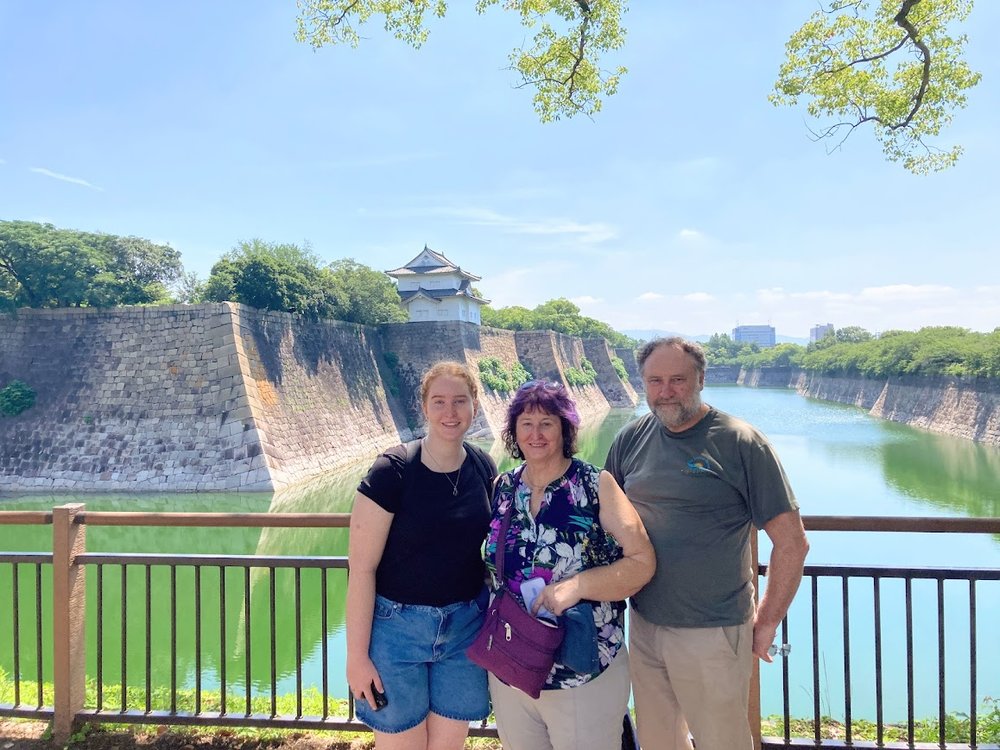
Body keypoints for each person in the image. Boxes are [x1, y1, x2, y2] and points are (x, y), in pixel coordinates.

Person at [605, 337, 810, 750]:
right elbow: (602, 518)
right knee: (660, 742)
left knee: (722, 741)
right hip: (645, 624)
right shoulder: (631, 439)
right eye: (655, 380)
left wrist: (766, 621)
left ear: (700, 379)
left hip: (713, 630)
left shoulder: (739, 442)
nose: (666, 391)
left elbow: (792, 543)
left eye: (677, 380)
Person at [484, 379, 655, 750]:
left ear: (565, 428)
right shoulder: (504, 488)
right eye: (526, 423)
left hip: (580, 669)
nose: (536, 433)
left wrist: (577, 587)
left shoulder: (595, 485)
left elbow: (642, 562)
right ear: (513, 431)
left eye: (547, 422)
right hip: (514, 665)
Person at [346, 361, 498, 750]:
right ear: (425, 407)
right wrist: (356, 657)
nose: (450, 413)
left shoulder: (483, 467)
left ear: (475, 407)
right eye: (440, 401)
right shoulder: (392, 470)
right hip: (396, 632)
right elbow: (362, 569)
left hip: (464, 630)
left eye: (460, 402)